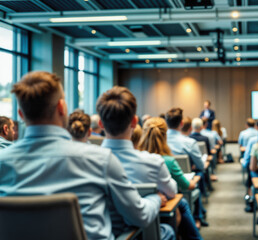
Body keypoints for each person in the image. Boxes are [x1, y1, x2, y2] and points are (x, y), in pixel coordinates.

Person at [0, 71, 162, 240]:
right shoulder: (99, 159)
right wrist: (155, 198)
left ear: (20, 114)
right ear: (61, 108)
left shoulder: (2, 162)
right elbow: (140, 216)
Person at [97, 86, 176, 240]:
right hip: (132, 233)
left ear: (100, 123)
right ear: (134, 122)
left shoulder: (85, 163)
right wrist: (156, 198)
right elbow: (171, 192)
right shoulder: (153, 162)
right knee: (168, 230)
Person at [140, 117, 205, 238]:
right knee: (182, 202)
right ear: (165, 136)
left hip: (138, 211)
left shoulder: (136, 160)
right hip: (163, 208)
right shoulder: (166, 161)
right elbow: (174, 191)